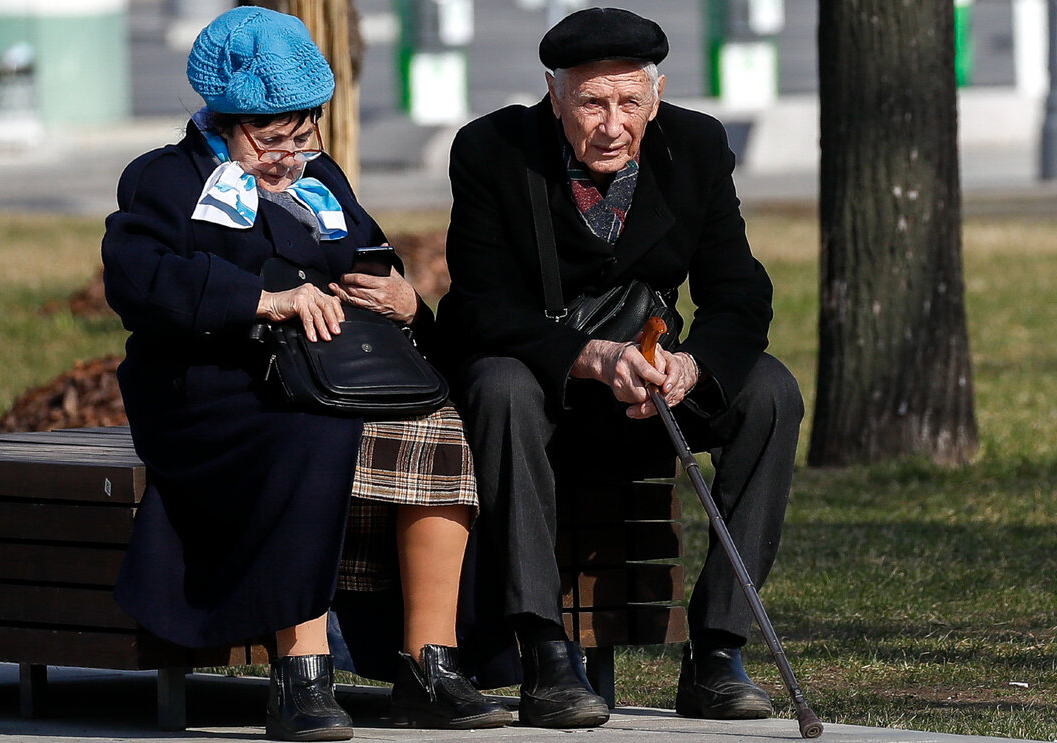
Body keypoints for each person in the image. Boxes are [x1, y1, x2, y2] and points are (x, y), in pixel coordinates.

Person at [100, 7, 510, 741]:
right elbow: (137, 278)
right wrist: (262, 298)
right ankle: (302, 672)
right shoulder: (164, 179)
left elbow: (366, 256)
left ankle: (430, 662)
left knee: (436, 426)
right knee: (309, 432)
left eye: (303, 133)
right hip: (209, 387)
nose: (292, 156)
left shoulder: (321, 179)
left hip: (321, 373)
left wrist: (403, 298)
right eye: (272, 139)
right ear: (223, 119)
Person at [436, 7, 804, 729]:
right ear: (554, 94)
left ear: (656, 97)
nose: (612, 124)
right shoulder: (492, 150)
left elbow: (740, 292)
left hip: (652, 393)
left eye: (630, 102)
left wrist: (694, 367)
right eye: (591, 103)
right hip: (544, 395)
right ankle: (544, 651)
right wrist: (586, 356)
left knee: (770, 391)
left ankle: (719, 649)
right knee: (500, 385)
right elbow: (479, 306)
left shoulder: (696, 145)